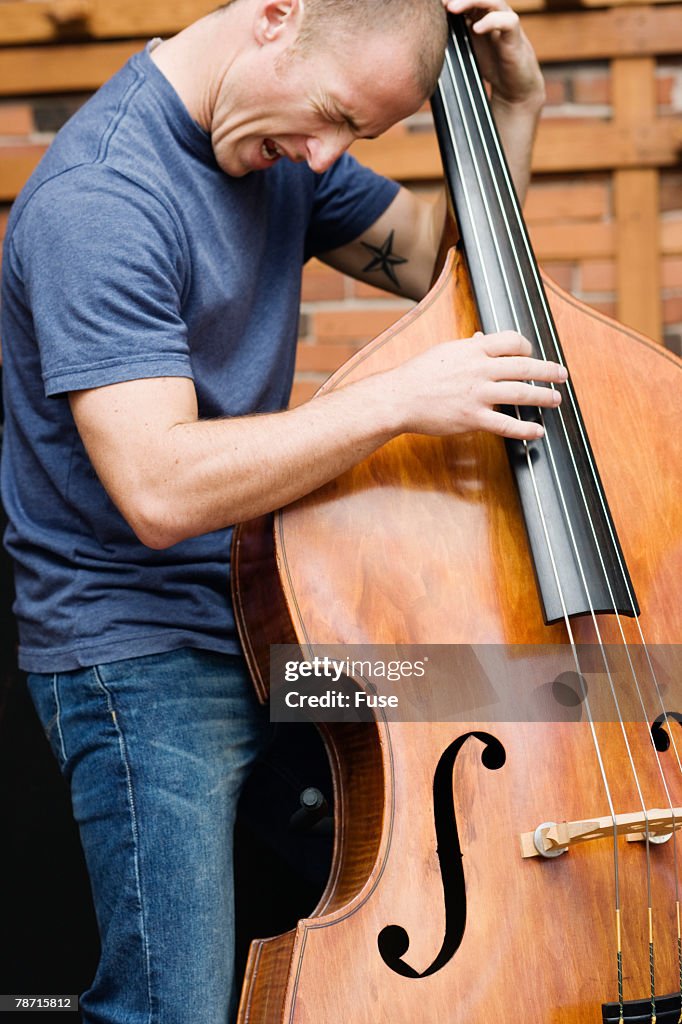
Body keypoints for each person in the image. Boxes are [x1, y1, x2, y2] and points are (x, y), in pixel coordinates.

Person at [0, 0, 563, 1020]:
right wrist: (393, 400)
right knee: (175, 1006)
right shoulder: (104, 198)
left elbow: (440, 266)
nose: (323, 160)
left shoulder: (278, 138)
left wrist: (513, 108)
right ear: (275, 17)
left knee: (515, 738)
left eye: (355, 137)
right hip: (142, 646)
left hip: (280, 619)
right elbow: (160, 490)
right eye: (333, 118)